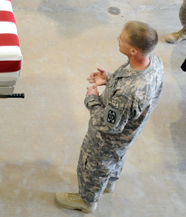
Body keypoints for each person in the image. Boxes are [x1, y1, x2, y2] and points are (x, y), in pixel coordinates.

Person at [55, 21, 163, 214]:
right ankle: (109, 183)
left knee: (94, 166)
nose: (117, 39)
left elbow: (107, 125)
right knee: (115, 159)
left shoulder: (128, 93)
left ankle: (86, 201)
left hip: (106, 141)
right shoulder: (154, 62)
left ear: (133, 51)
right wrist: (110, 79)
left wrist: (92, 98)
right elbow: (132, 83)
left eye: (122, 38)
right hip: (126, 136)